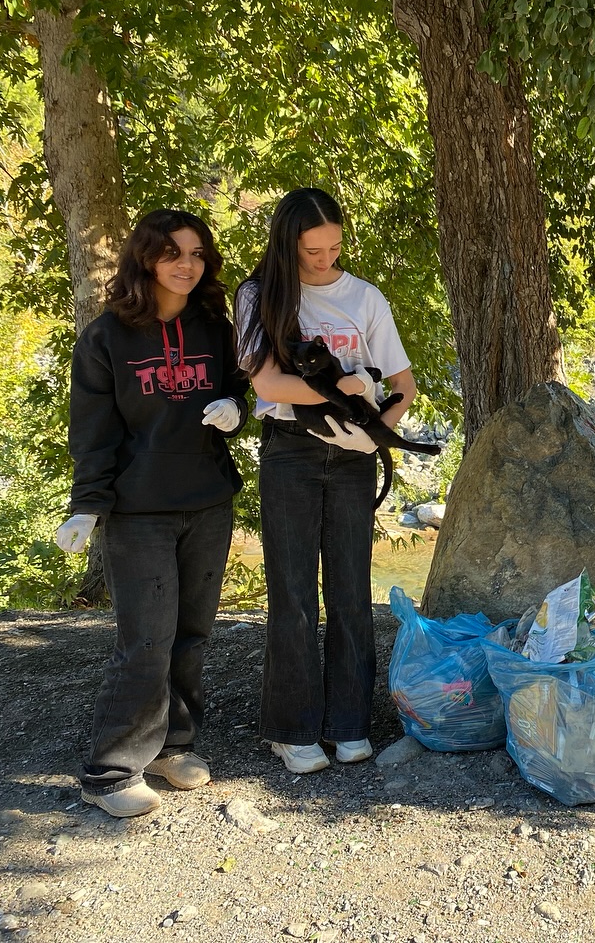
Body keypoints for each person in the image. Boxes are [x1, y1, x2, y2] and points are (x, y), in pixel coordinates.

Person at [57, 209, 249, 818]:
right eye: (173, 254)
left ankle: (173, 744)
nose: (186, 265)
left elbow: (240, 385)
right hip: (138, 511)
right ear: (146, 259)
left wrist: (235, 406)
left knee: (191, 634)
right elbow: (93, 430)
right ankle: (110, 770)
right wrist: (87, 504)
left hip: (208, 502)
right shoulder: (106, 338)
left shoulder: (215, 329)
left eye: (196, 254)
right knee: (145, 639)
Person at [237, 187, 417, 774]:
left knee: (350, 590)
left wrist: (378, 432)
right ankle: (292, 728)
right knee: (291, 592)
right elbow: (268, 384)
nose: (325, 260)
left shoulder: (364, 297)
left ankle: (349, 722)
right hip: (289, 450)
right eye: (312, 251)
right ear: (287, 244)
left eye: (334, 247)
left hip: (354, 454)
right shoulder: (259, 294)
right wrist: (337, 387)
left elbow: (403, 386)